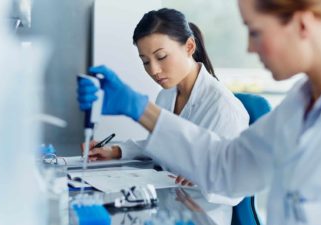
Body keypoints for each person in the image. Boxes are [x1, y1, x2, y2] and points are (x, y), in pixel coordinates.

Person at [78, 0, 321, 224]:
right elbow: (226, 168)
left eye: (255, 31)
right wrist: (140, 109)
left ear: (302, 25)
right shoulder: (298, 106)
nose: (249, 47)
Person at [79, 8, 249, 206]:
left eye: (161, 57)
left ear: (189, 46)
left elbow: (234, 188)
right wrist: (116, 150)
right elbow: (165, 143)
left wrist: (203, 175)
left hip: (201, 214)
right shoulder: (166, 94)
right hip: (168, 202)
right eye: (145, 62)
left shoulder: (224, 108)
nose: (154, 70)